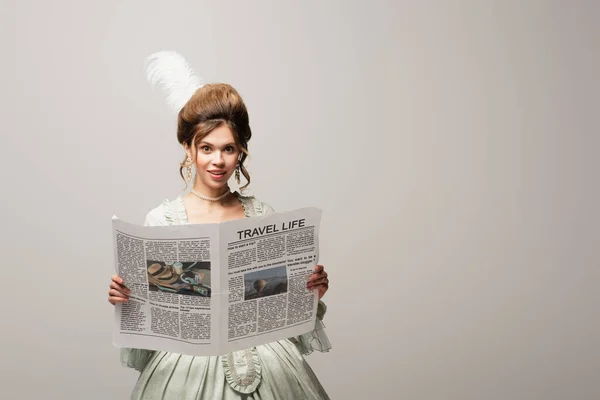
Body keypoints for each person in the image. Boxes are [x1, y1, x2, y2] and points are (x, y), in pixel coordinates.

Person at [107, 52, 332, 399]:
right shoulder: (162, 221)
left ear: (240, 151)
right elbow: (151, 320)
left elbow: (279, 309)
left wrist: (310, 290)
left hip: (268, 364)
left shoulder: (262, 214)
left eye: (228, 149)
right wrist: (126, 299)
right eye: (206, 148)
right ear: (188, 148)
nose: (217, 160)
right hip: (183, 373)